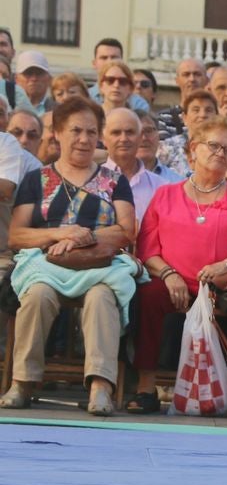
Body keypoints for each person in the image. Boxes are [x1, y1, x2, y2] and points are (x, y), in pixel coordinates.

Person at [0, 98, 137, 416]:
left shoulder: (114, 181)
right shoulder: (37, 179)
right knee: (36, 295)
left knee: (102, 297)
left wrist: (81, 237)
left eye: (92, 131)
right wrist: (59, 234)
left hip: (99, 265)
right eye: (76, 130)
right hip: (48, 266)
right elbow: (17, 235)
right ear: (57, 133)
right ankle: (22, 381)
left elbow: (126, 229)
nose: (85, 139)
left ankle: (101, 386)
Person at [130, 117, 227, 416]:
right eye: (213, 145)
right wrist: (168, 274)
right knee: (148, 295)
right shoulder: (165, 195)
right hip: (176, 283)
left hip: (226, 285)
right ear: (192, 149)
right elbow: (147, 250)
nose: (221, 153)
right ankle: (145, 387)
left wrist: (226, 265)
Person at [102, 108, 165, 224]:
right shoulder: (90, 184)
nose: (124, 139)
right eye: (116, 133)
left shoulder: (162, 187)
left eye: (130, 132)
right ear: (103, 138)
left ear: (140, 137)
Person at [157, 90, 218, 176]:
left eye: (208, 110)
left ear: (217, 117)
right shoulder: (167, 148)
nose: (203, 115)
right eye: (196, 110)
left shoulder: (223, 149)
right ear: (184, 118)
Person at [155, 59, 209, 139]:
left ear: (207, 80)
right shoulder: (162, 118)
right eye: (186, 75)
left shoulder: (216, 116)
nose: (192, 79)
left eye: (197, 74)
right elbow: (165, 149)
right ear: (177, 80)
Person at [137, 112, 183, 182]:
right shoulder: (116, 181)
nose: (144, 138)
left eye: (149, 131)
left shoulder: (177, 182)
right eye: (137, 132)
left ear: (158, 135)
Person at [14, 50, 54, 115]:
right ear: (16, 79)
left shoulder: (61, 111)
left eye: (39, 73)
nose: (34, 78)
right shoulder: (5, 109)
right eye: (28, 73)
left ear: (49, 79)